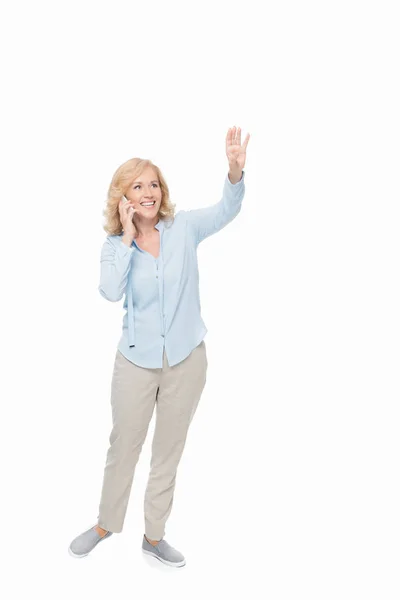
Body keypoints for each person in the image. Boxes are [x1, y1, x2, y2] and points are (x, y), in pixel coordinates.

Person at [68, 126, 250, 567]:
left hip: (186, 360)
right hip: (135, 363)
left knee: (168, 450)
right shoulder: (114, 245)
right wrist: (129, 238)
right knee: (123, 445)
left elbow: (227, 210)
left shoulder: (183, 226)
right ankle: (105, 523)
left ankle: (154, 536)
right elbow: (110, 291)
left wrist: (234, 172)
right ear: (123, 197)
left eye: (154, 184)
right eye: (138, 185)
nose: (148, 192)